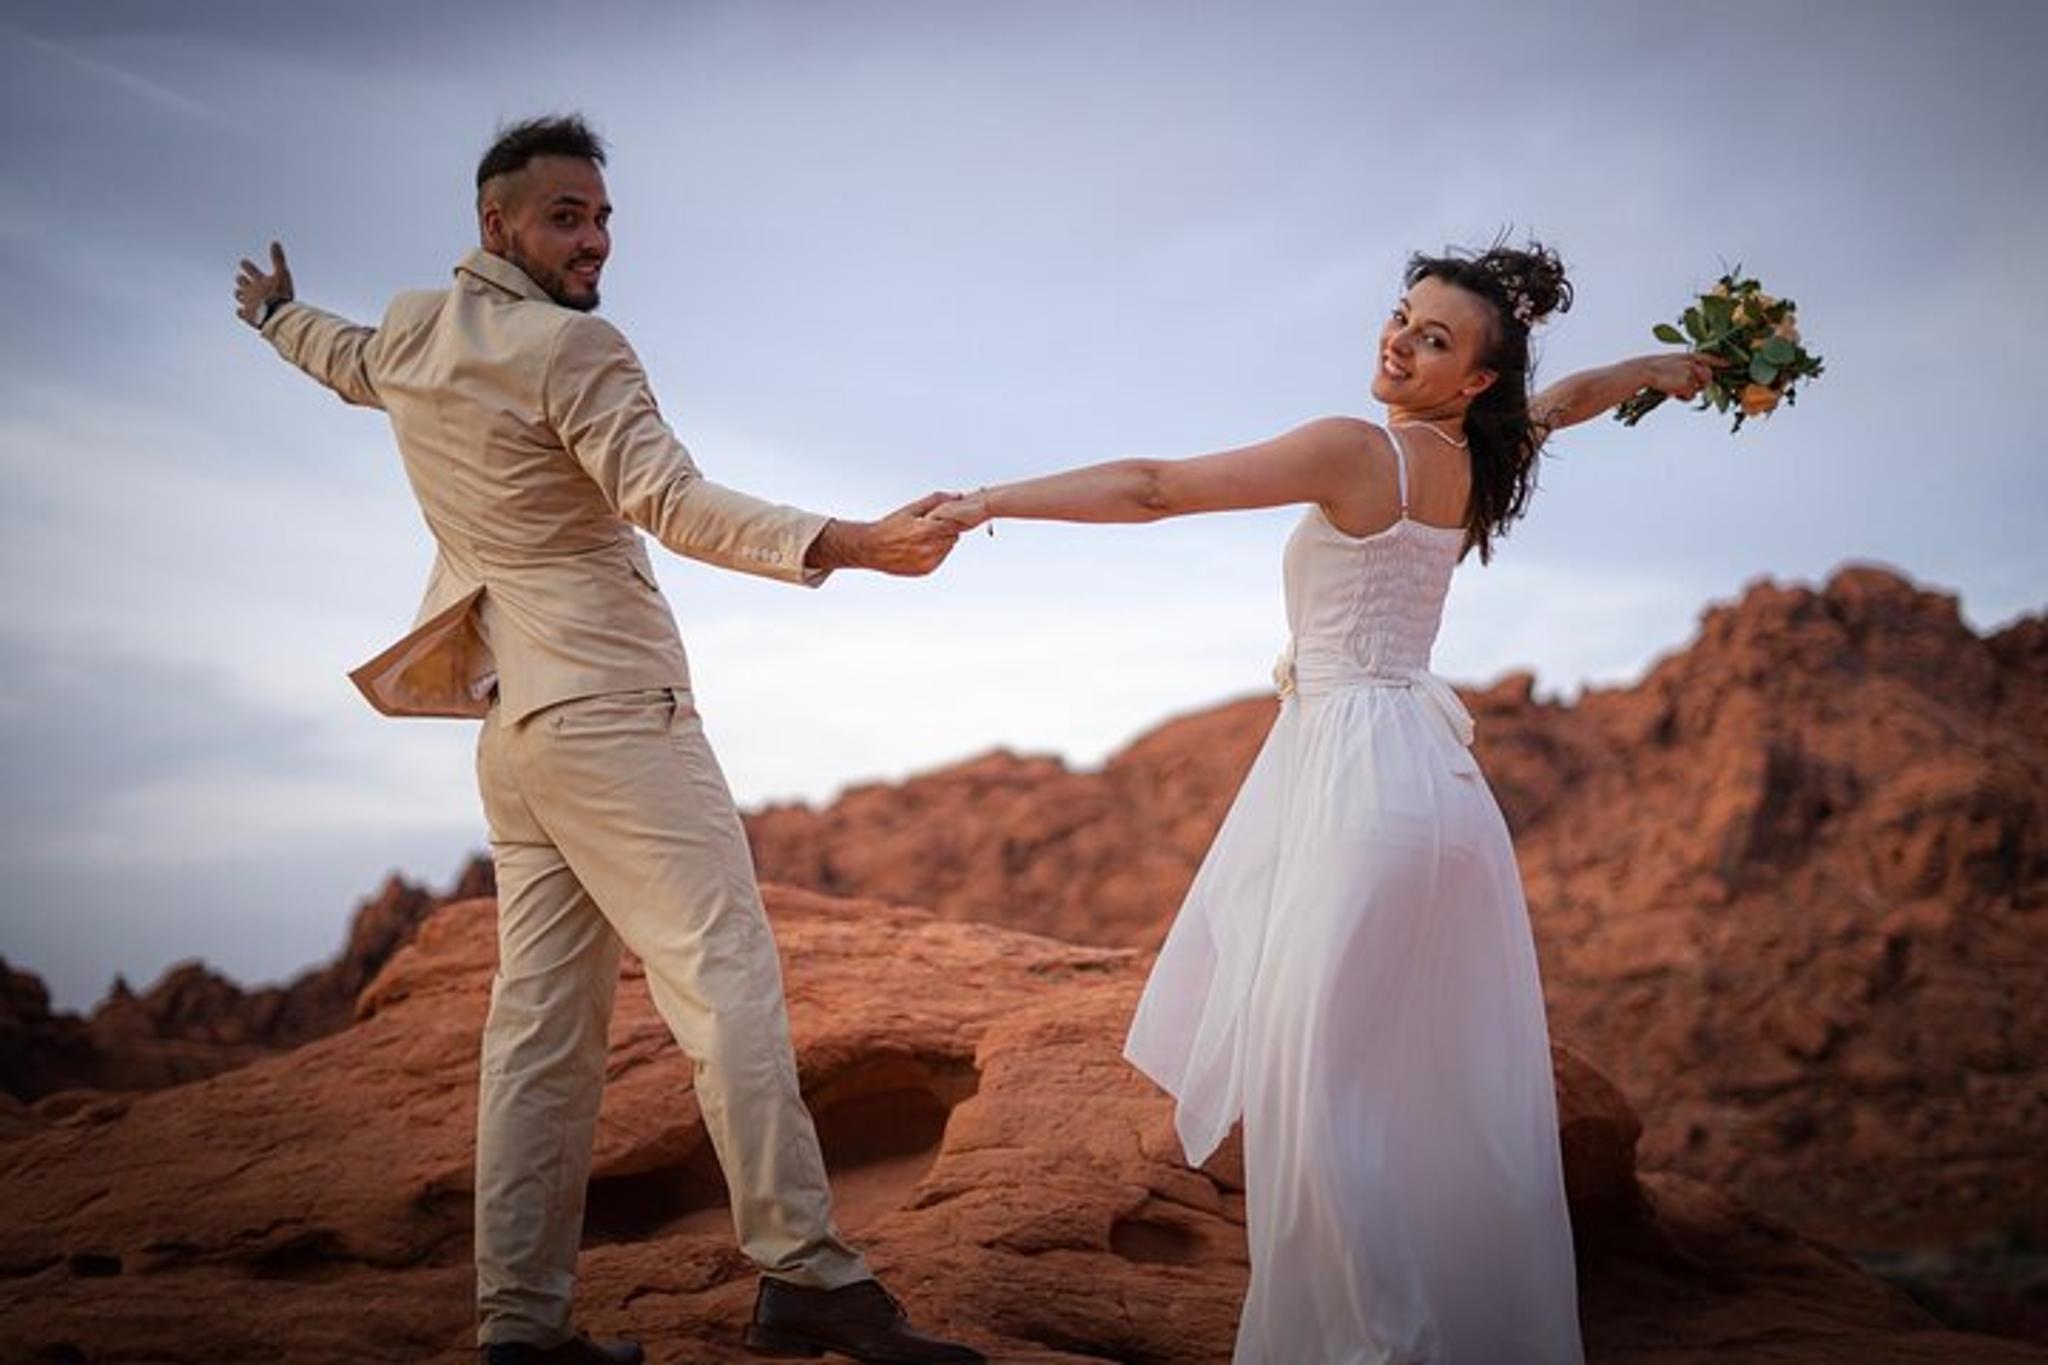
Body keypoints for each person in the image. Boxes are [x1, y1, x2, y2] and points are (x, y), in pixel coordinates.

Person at [233, 115, 984, 1365]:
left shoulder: (419, 327)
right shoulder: (577, 349)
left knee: (537, 1032)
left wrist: (273, 317)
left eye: (602, 217)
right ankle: (808, 1270)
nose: (594, 240)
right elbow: (671, 500)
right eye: (565, 216)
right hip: (616, 720)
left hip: (514, 736)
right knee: (725, 981)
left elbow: (348, 358)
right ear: (498, 226)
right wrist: (856, 542)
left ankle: (522, 1327)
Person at [932, 242, 1716, 1363]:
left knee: (1320, 1109)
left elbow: (1156, 488)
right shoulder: (1475, 457)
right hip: (1437, 794)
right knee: (1429, 1098)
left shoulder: (1360, 453)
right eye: (1401, 318)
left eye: (1432, 340)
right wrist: (1661, 368)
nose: (1397, 342)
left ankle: (1373, 1347)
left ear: (1470, 381)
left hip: (1358, 785)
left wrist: (986, 500)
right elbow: (1571, 401)